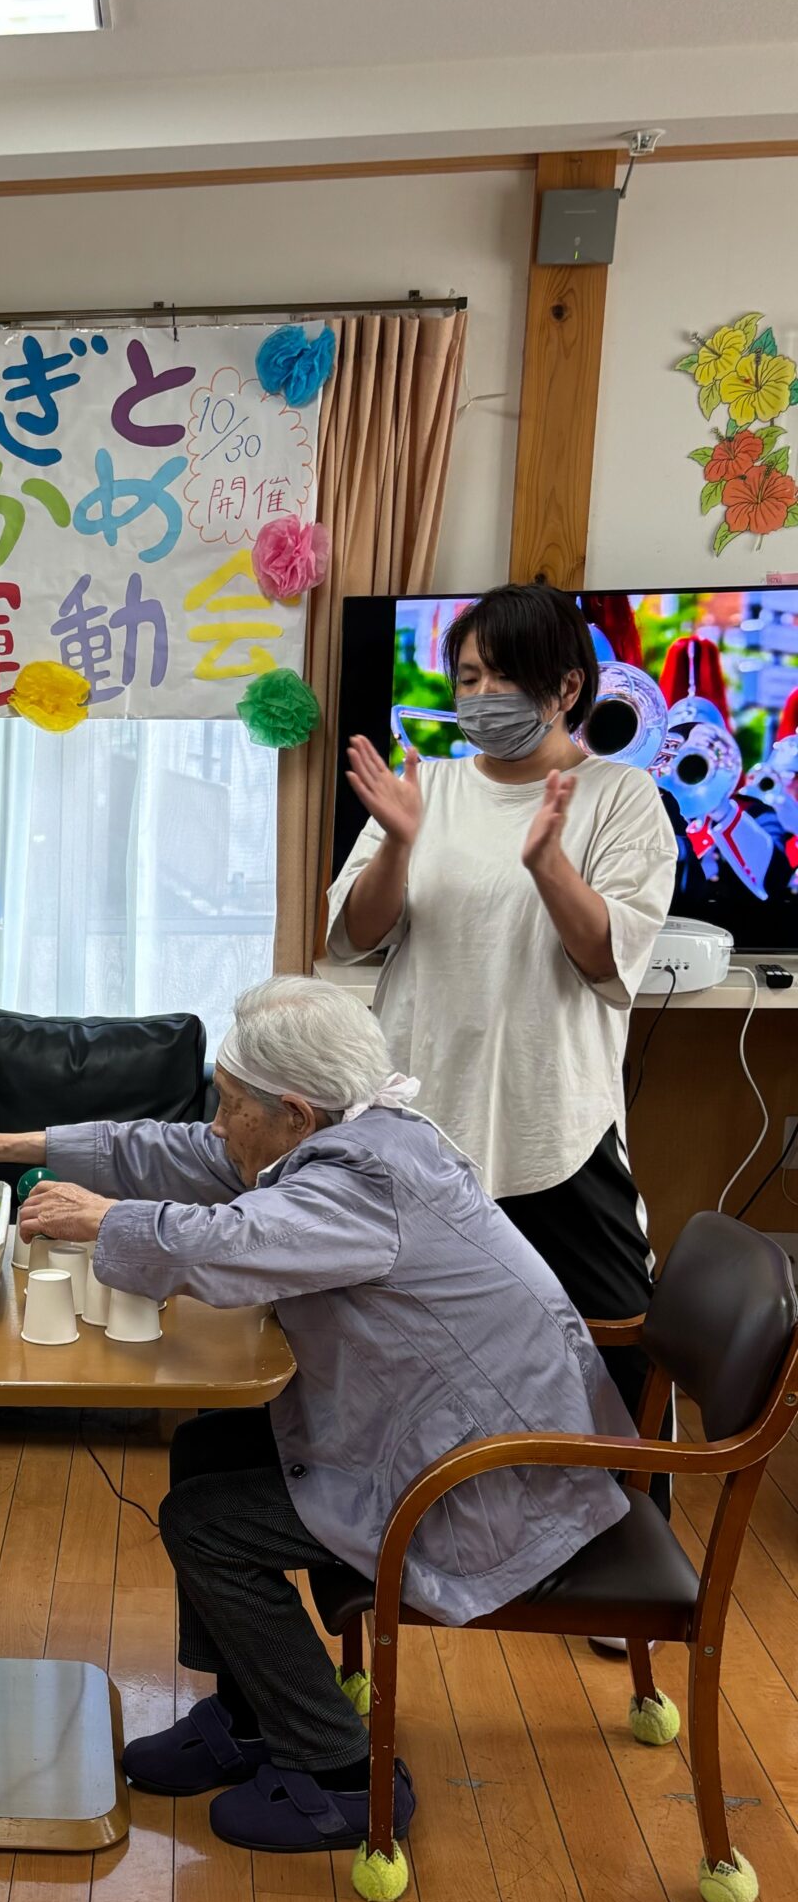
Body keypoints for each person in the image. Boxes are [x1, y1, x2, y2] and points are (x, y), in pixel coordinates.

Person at [0, 976, 634, 1864]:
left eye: (229, 1105)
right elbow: (172, 1151)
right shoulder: (343, 1135)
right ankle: (249, 1713)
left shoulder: (360, 1183)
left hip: (487, 1479)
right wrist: (6, 1142)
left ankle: (342, 1772)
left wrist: (105, 1220)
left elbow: (230, 1244)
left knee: (204, 1523)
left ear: (293, 1111)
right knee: (208, 1448)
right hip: (440, 1431)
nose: (215, 1125)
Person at [329, 583, 676, 1415]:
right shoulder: (427, 788)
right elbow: (352, 936)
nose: (482, 695)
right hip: (419, 1123)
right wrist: (398, 846)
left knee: (613, 1348)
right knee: (410, 1349)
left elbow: (608, 960)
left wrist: (549, 864)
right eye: (469, 677)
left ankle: (632, 1498)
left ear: (566, 686)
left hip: (556, 1128)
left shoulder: (621, 797)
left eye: (506, 675)